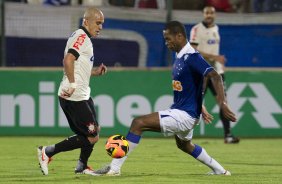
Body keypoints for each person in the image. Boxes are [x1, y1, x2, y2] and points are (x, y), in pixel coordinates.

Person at [91, 20, 237, 176]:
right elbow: (194, 82)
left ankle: (114, 168)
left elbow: (214, 75)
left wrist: (222, 103)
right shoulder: (180, 55)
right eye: (165, 39)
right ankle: (220, 170)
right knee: (185, 145)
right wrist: (200, 106)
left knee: (138, 123)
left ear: (180, 36)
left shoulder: (190, 56)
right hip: (187, 112)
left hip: (184, 115)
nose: (167, 43)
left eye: (169, 39)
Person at [37, 7, 107, 175]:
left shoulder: (84, 38)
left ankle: (82, 166)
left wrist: (94, 72)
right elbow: (68, 60)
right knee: (92, 136)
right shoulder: (81, 37)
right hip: (74, 96)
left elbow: (77, 66)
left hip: (82, 94)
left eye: (102, 24)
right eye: (97, 23)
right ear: (86, 21)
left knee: (94, 131)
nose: (100, 27)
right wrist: (73, 84)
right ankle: (47, 152)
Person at [189, 6, 240, 144]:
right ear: (203, 14)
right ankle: (184, 134)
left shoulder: (216, 29)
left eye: (211, 13)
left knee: (223, 102)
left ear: (215, 14)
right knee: (195, 103)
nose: (209, 15)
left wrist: (219, 63)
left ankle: (228, 135)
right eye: (207, 13)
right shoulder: (196, 29)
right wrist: (215, 57)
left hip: (216, 72)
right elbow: (193, 50)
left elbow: (213, 50)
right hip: (201, 72)